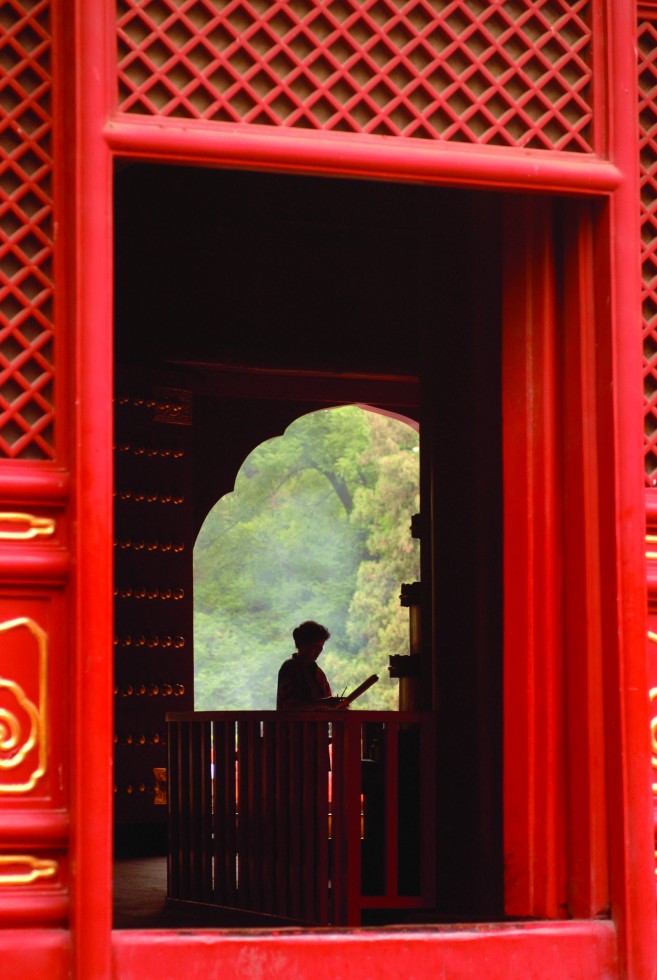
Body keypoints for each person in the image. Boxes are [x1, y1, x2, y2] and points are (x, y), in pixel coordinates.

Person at [276, 620, 348, 710]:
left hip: (318, 724)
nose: (319, 650)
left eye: (321, 647)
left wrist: (337, 707)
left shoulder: (319, 673)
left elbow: (326, 705)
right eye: (315, 646)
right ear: (301, 644)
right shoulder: (290, 668)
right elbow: (291, 705)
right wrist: (327, 702)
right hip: (293, 724)